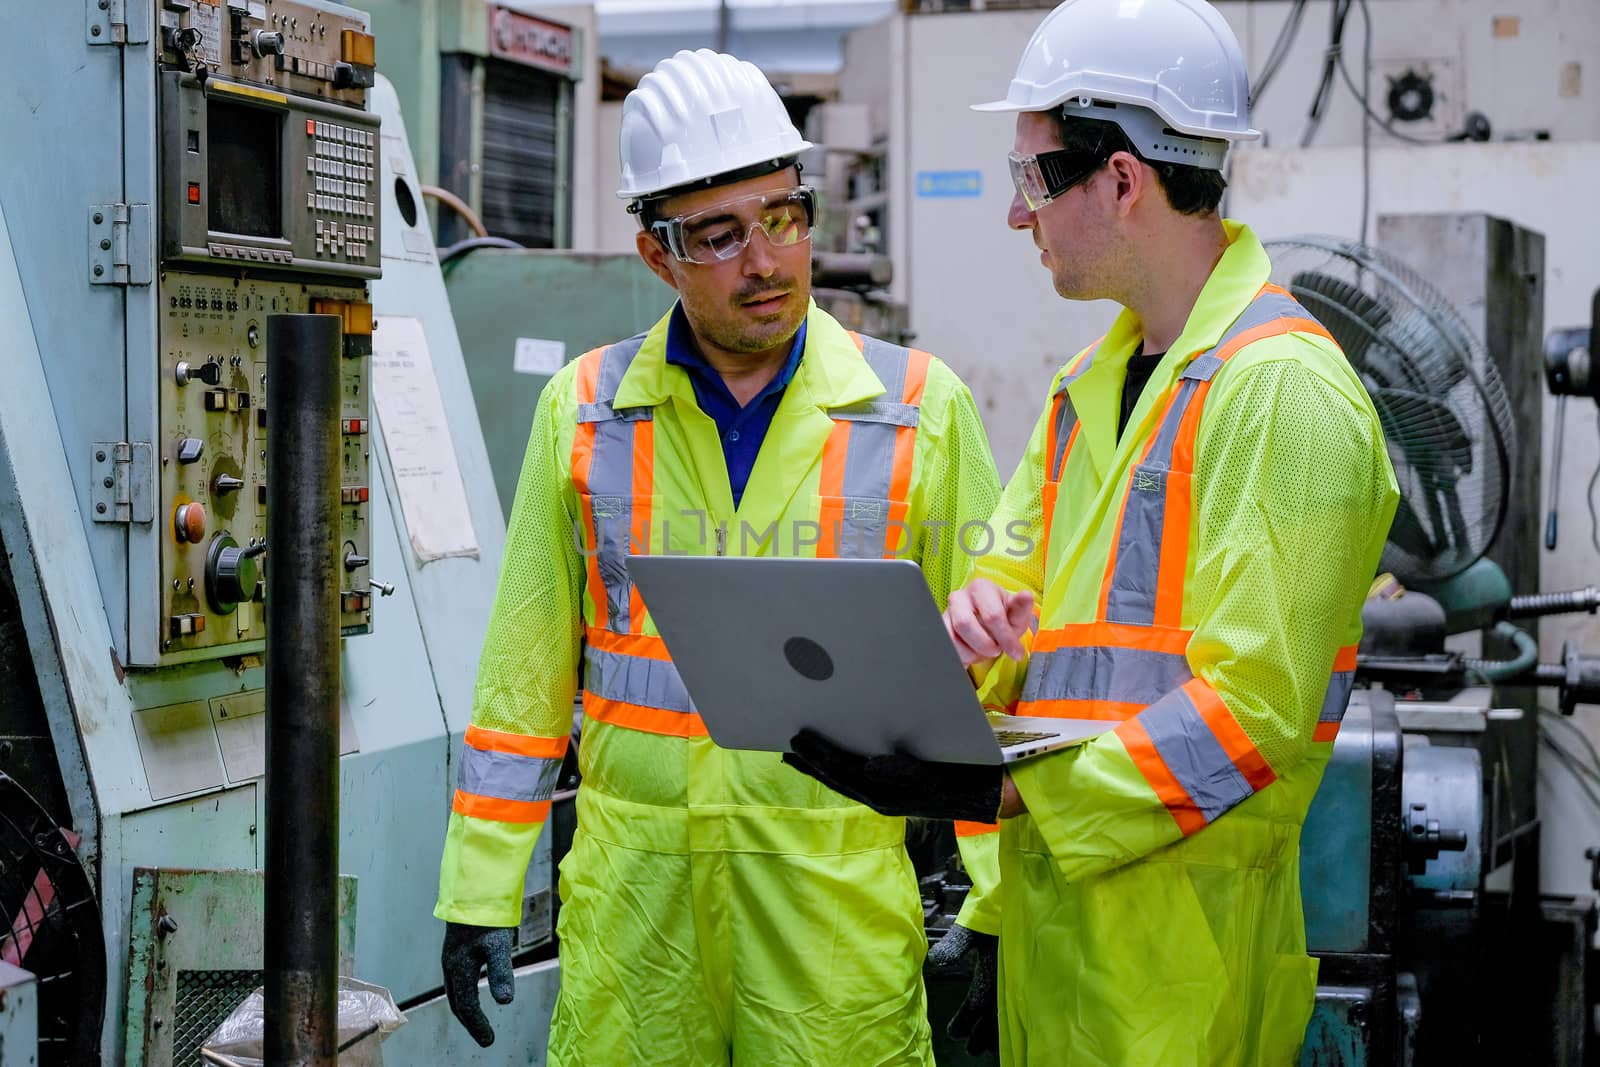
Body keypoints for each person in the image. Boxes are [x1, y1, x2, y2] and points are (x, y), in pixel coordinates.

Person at [784, 1, 1401, 1063]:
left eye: (1032, 178)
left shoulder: (1286, 395)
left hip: (1184, 968)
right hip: (1051, 935)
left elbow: (1248, 712)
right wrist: (969, 643)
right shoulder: (1088, 385)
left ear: (1120, 179)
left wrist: (1002, 789)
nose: (1017, 216)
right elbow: (1017, 607)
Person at [434, 48, 1003, 1066]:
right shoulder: (587, 412)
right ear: (655, 253)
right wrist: (481, 887)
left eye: (784, 217)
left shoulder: (917, 410)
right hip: (638, 927)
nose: (767, 260)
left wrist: (997, 897)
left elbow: (992, 676)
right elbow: (523, 674)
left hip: (828, 924)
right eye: (720, 234)